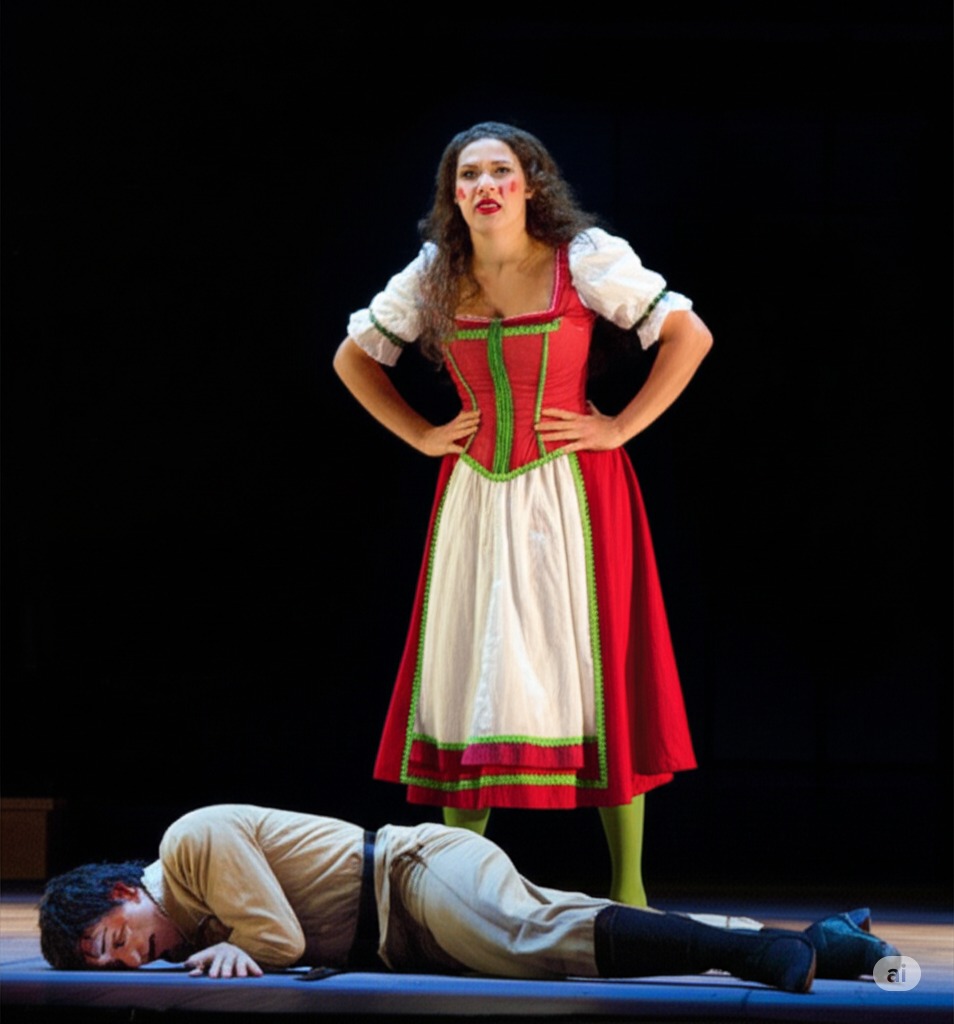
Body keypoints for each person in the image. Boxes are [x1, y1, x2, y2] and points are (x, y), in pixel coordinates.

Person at [333, 121, 713, 907]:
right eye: (469, 175)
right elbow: (353, 356)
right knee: (472, 670)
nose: (485, 186)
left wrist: (619, 427)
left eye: (500, 171)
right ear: (453, 195)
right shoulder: (436, 273)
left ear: (531, 183)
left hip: (576, 492)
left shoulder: (583, 258)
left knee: (595, 670)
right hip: (475, 496)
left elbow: (689, 335)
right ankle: (459, 894)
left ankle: (630, 892)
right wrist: (422, 435)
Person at [38, 804, 899, 995]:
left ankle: (754, 954)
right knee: (555, 924)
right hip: (401, 935)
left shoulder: (189, 843)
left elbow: (279, 937)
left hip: (412, 874)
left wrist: (243, 946)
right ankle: (822, 941)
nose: (130, 958)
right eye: (110, 965)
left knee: (532, 936)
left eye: (115, 939)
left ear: (122, 892)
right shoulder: (190, 931)